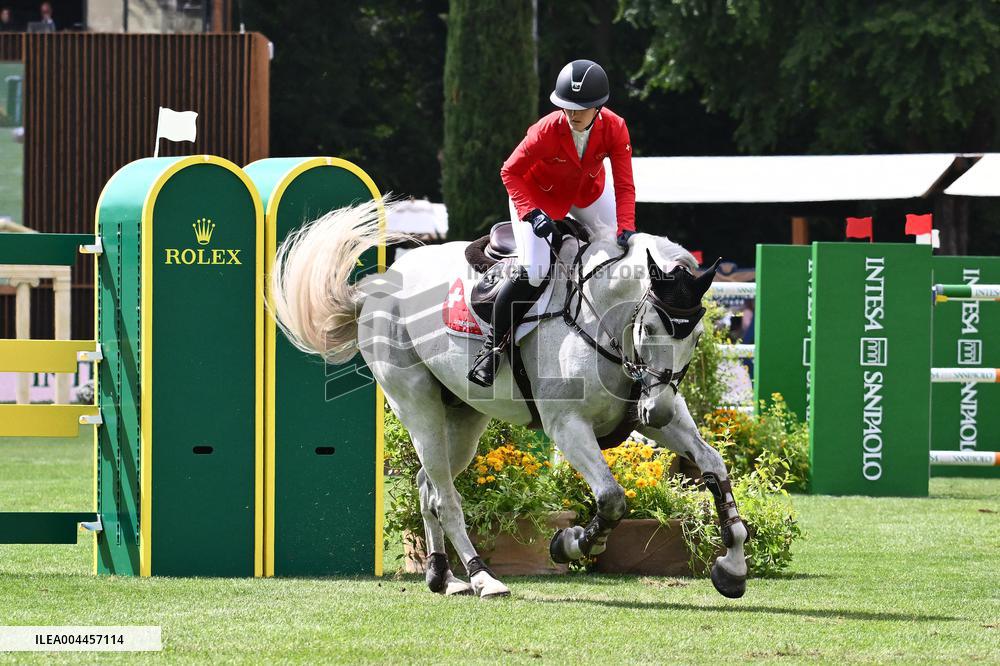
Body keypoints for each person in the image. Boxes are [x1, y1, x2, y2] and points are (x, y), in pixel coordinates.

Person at [468, 59, 638, 387]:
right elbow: (509, 172)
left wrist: (626, 225)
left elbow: (625, 184)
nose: (572, 114)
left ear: (598, 108)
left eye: (580, 109)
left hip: (587, 193)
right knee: (534, 270)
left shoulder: (616, 128)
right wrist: (531, 212)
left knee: (621, 251)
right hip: (537, 195)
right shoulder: (546, 129)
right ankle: (492, 347)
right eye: (566, 107)